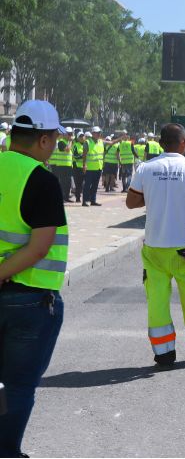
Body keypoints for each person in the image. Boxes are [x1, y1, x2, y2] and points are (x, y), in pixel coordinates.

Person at [0, 100, 68, 457]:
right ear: (43, 140)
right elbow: (39, 248)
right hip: (30, 300)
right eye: (55, 137)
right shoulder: (41, 180)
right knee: (19, 385)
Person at [126, 123, 185, 367]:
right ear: (184, 143)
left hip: (155, 248)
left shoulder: (146, 168)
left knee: (156, 301)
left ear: (160, 143)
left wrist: (154, 194)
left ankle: (164, 354)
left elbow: (131, 203)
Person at [49, 127, 74, 202]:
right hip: (61, 166)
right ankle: (62, 198)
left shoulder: (68, 142)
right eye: (69, 134)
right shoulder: (61, 142)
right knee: (62, 182)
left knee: (68, 183)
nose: (70, 135)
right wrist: (70, 141)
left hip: (68, 165)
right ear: (65, 134)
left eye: (71, 134)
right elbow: (67, 150)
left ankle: (66, 197)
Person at [81, 131, 103, 206]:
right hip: (89, 168)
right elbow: (84, 154)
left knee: (95, 185)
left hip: (98, 168)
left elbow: (111, 142)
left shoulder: (100, 142)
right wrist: (84, 165)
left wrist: (120, 139)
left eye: (100, 133)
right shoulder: (87, 142)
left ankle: (93, 200)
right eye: (97, 133)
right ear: (93, 134)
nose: (99, 134)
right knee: (87, 185)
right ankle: (85, 201)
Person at [72, 132, 86, 201]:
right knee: (78, 183)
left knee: (84, 183)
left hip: (85, 167)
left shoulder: (87, 145)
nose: (82, 138)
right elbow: (75, 156)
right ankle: (78, 197)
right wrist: (82, 156)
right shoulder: (75, 145)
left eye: (83, 136)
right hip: (77, 167)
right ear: (78, 138)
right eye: (80, 136)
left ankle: (85, 197)